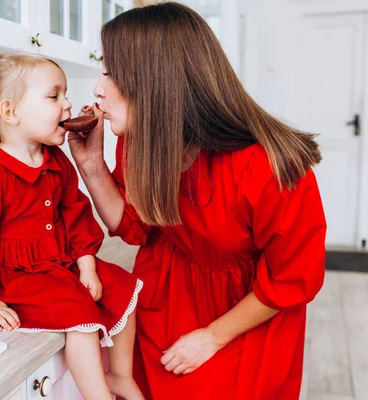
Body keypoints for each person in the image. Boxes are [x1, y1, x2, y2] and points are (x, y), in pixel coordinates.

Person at [68, 3, 327, 399]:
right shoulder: (143, 141)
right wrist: (91, 165)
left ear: (156, 80)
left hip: (243, 318)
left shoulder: (271, 168)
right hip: (164, 302)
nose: (98, 89)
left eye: (110, 73)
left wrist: (211, 337)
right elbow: (133, 227)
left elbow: (293, 279)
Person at [0, 53, 144, 400]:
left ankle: (119, 376)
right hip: (13, 276)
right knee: (79, 314)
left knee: (122, 285)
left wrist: (87, 265)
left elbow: (75, 214)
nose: (69, 104)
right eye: (54, 96)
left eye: (66, 94)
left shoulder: (55, 161)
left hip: (57, 263)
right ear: (11, 112)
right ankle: (98, 394)